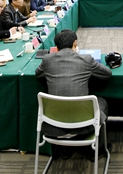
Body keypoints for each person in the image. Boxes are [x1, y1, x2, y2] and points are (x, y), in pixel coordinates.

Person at [35, 29, 112, 160]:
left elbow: (38, 74)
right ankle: (97, 150)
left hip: (54, 122)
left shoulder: (47, 60)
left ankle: (63, 149)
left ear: (56, 47)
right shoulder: (86, 59)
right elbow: (107, 74)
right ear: (75, 43)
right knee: (102, 103)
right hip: (83, 123)